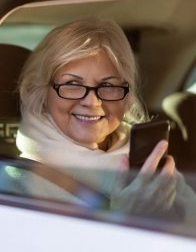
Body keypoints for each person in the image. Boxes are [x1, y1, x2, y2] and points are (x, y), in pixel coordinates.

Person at [11, 17, 196, 220]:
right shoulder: (17, 184)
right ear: (42, 92)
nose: (92, 101)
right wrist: (125, 217)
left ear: (126, 96)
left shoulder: (149, 165)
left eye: (108, 86)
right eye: (72, 83)